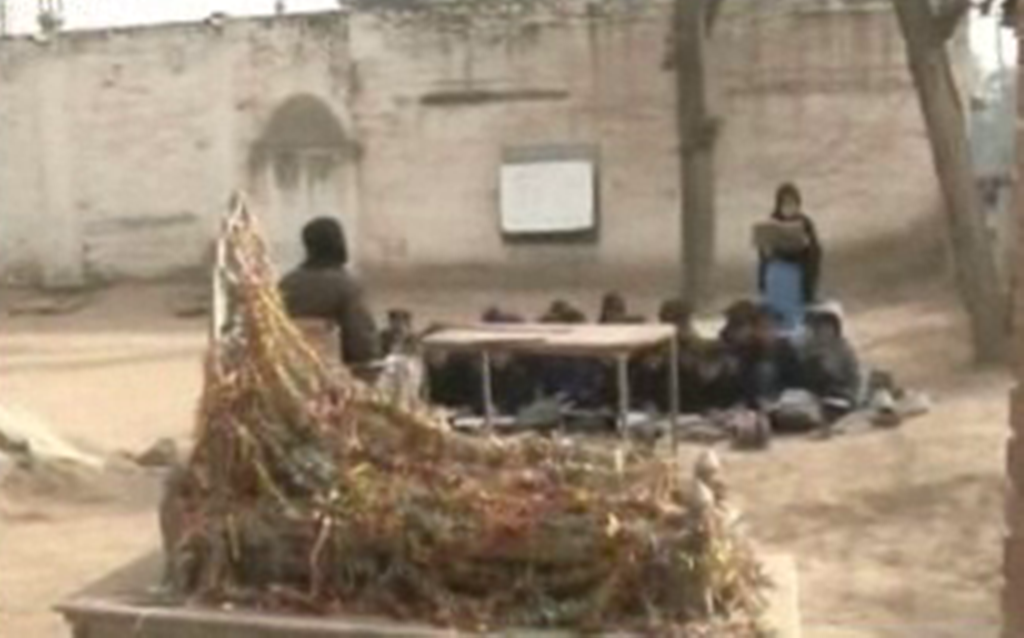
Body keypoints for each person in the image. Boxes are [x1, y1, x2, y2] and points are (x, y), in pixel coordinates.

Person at [279, 217, 380, 377]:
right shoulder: (347, 285)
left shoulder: (286, 283)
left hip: (291, 375)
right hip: (334, 379)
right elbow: (363, 347)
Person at [757, 183, 823, 331]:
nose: (789, 207)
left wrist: (806, 245)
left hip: (798, 270)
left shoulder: (805, 222)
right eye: (785, 203)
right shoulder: (772, 221)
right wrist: (767, 250)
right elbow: (764, 253)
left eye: (792, 203)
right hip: (778, 271)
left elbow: (815, 251)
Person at [801, 302, 862, 422]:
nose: (822, 331)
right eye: (818, 327)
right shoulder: (809, 348)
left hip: (841, 394)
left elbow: (852, 379)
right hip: (813, 396)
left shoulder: (843, 349)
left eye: (826, 326)